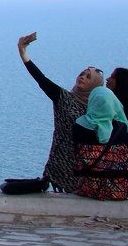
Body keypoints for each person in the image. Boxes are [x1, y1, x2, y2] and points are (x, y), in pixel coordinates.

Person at [17, 31, 103, 193]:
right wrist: (23, 54)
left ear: (96, 85)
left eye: (88, 77)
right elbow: (42, 80)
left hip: (87, 164)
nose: (83, 77)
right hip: (60, 160)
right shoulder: (64, 98)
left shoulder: (99, 107)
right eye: (82, 74)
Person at [71, 86, 128, 200]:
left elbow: (78, 156)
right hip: (124, 190)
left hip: (92, 188)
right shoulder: (122, 127)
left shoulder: (80, 126)